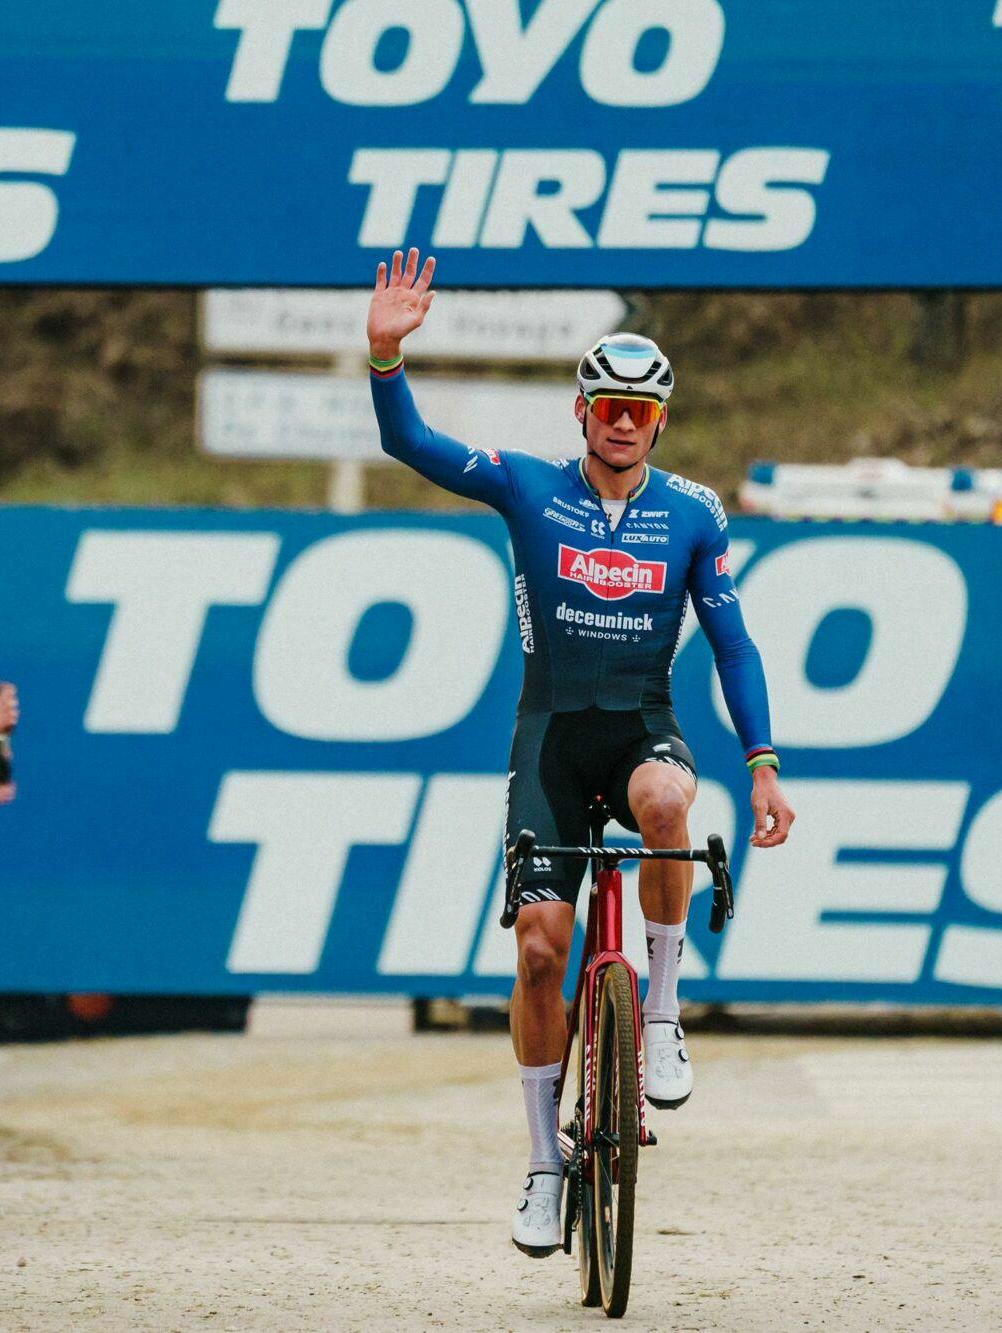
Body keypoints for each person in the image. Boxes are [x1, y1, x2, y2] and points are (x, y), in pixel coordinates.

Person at [365, 248, 795, 1257]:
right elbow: (413, 443)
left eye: (638, 411)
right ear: (580, 410)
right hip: (551, 737)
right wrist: (385, 355)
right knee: (539, 952)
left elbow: (730, 641)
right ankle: (543, 1167)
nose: (620, 420)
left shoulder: (692, 512)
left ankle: (658, 1015)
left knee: (665, 810)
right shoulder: (526, 487)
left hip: (643, 721)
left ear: (659, 422)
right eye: (605, 403)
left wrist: (764, 760)